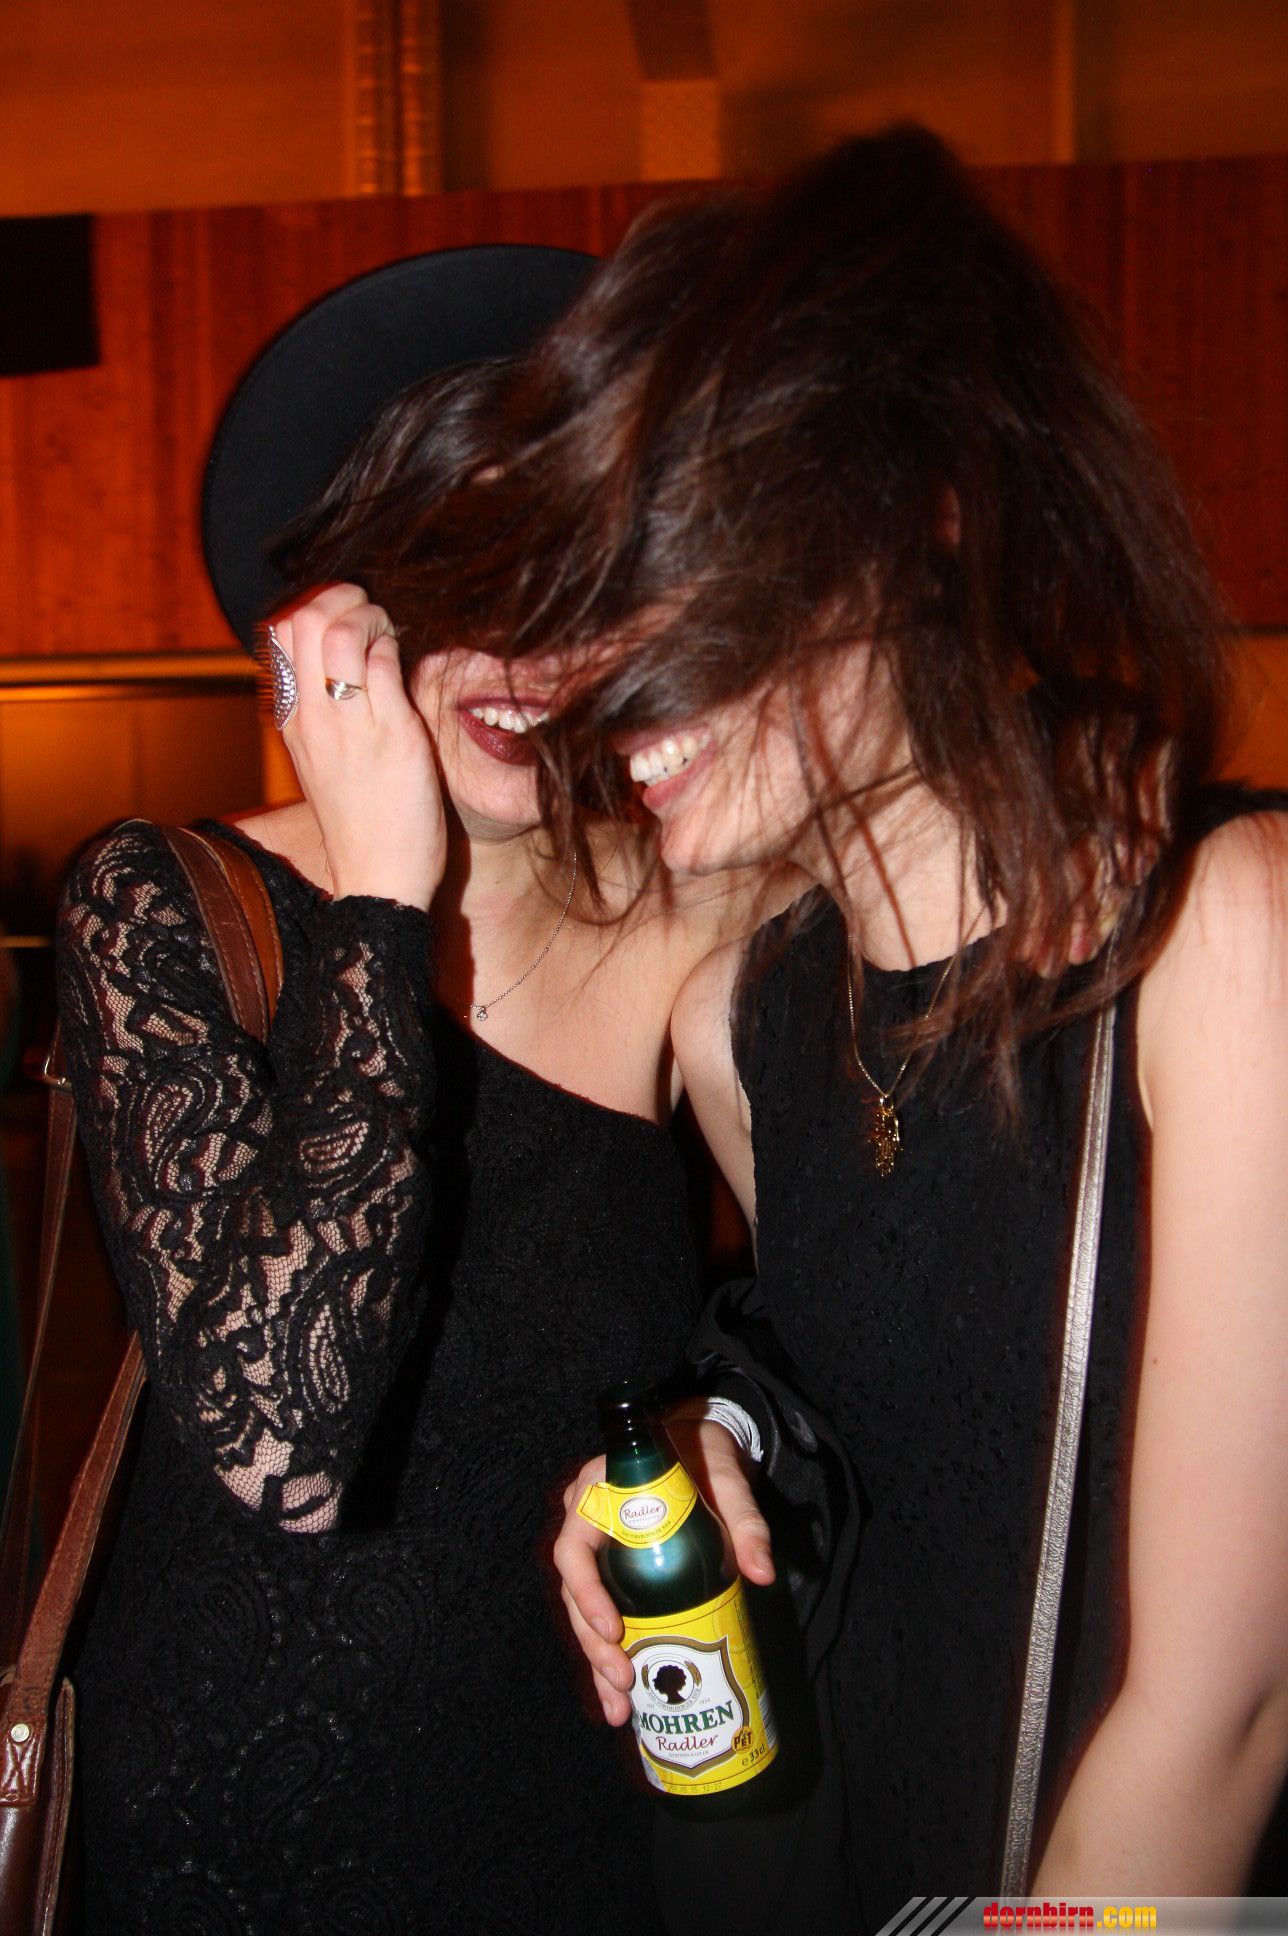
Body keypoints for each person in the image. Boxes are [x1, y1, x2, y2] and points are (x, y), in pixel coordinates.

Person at [400, 132, 1288, 1915]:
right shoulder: (747, 1024)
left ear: (917, 516)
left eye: (674, 567)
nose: (596, 671)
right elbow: (869, 1419)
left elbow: (1221, 1722)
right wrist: (714, 1448)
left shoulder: (1223, 935)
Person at [53, 244, 769, 1935]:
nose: (534, 642)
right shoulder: (165, 900)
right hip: (220, 1845)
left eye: (584, 571)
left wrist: (708, 1423)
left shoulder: (699, 922)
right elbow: (283, 1447)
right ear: (345, 614)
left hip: (569, 1826)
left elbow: (816, 1319)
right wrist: (384, 901)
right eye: (467, 569)